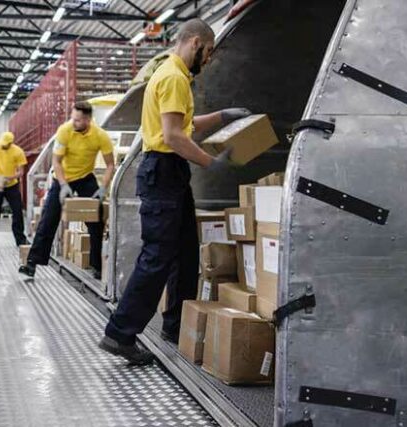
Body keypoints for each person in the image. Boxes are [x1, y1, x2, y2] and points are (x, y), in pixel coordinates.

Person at [98, 19, 252, 364]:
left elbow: (188, 124)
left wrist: (223, 116)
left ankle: (176, 323)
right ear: (195, 43)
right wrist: (211, 164)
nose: (209, 60)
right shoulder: (172, 77)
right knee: (157, 257)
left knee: (184, 252)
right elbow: (173, 137)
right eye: (208, 52)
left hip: (172, 173)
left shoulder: (178, 77)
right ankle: (119, 334)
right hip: (163, 170)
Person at [19, 101, 115, 280]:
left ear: (88, 119)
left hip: (86, 178)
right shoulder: (65, 130)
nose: (74, 122)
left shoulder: (100, 136)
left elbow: (110, 164)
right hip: (62, 178)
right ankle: (31, 263)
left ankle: (97, 266)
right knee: (49, 219)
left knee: (96, 220)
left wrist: (103, 188)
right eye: (73, 118)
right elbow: (56, 161)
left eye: (78, 120)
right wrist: (63, 185)